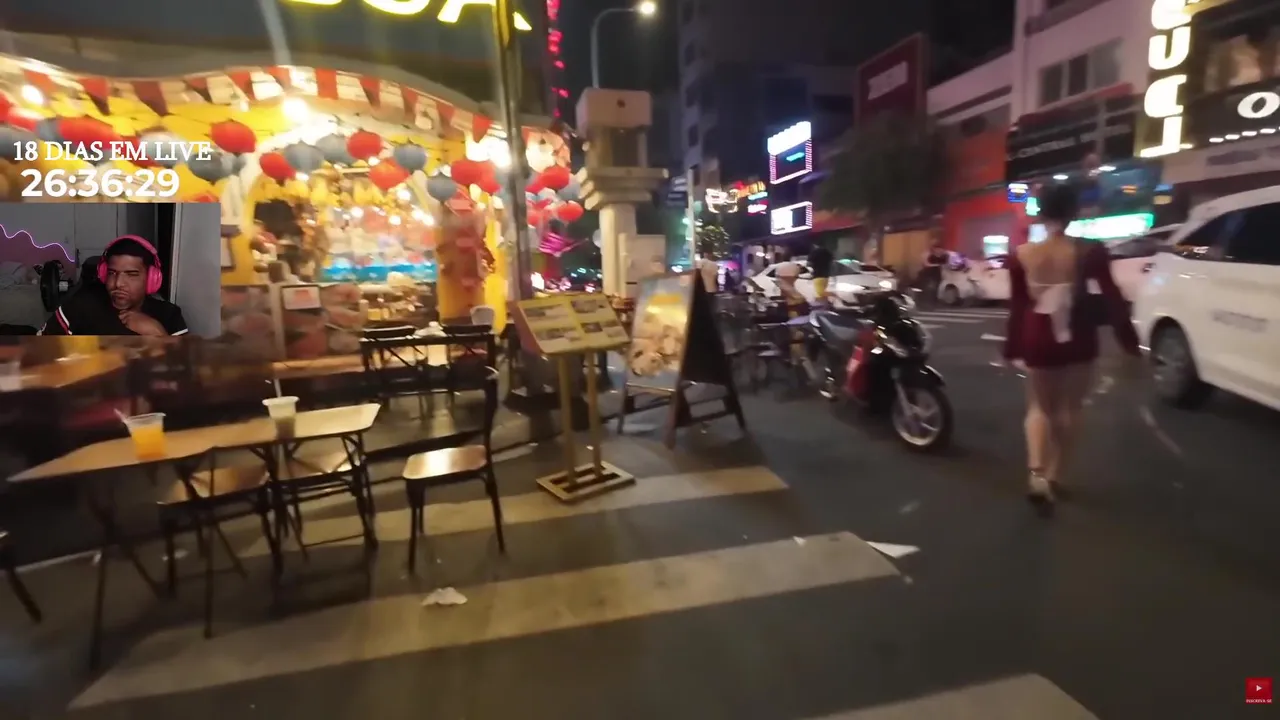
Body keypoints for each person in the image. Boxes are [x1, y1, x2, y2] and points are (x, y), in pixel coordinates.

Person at [1003, 185, 1139, 510]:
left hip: (1038, 335)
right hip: (1079, 335)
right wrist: (1128, 341)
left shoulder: (1021, 255)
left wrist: (1012, 347)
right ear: (1074, 212)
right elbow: (1113, 297)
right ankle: (1056, 476)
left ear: (1041, 213)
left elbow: (1018, 307)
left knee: (1039, 407)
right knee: (1071, 409)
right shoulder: (1091, 251)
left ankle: (1036, 474)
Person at [40, 235, 188, 337]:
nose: (118, 283)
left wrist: (158, 334)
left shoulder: (169, 316)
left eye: (131, 274)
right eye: (112, 273)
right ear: (104, 274)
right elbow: (39, 350)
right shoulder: (81, 305)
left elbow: (185, 369)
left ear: (151, 279)